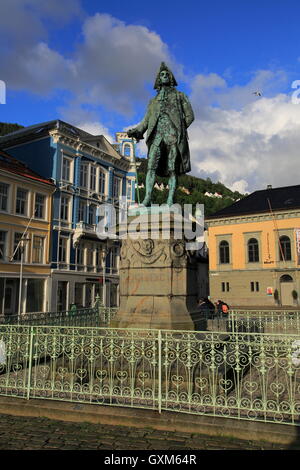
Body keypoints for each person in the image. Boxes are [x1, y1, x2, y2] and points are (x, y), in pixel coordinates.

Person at [127, 62, 194, 206]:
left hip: (172, 136)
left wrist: (180, 130)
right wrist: (137, 130)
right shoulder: (153, 102)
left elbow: (190, 116)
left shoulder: (180, 96)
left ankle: (170, 200)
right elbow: (146, 121)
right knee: (151, 166)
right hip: (157, 136)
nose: (164, 76)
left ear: (171, 78)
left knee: (172, 169)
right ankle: (147, 198)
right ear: (158, 79)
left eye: (166, 75)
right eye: (161, 75)